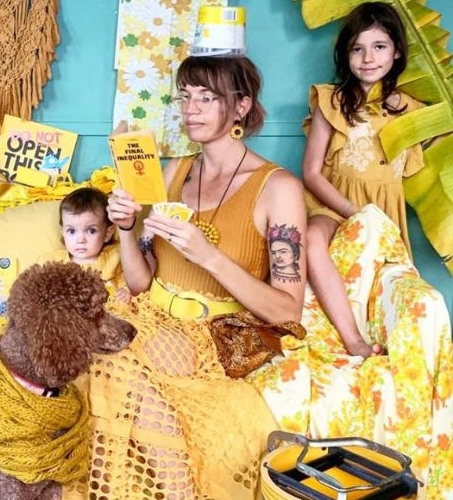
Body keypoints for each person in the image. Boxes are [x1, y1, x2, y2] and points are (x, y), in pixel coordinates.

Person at [70, 54, 307, 499]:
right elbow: (141, 281)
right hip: (149, 311)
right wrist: (125, 227)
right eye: (185, 96)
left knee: (111, 360)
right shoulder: (174, 170)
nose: (190, 108)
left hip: (211, 335)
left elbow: (288, 310)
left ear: (241, 106)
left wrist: (208, 255)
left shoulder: (278, 188)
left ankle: (178, 488)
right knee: (79, 352)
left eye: (207, 97)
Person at [301, 2, 423, 358]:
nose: (368, 58)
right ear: (346, 54)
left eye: (379, 47)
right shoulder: (332, 101)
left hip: (383, 217)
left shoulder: (412, 110)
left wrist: (372, 221)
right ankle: (351, 338)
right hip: (334, 205)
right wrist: (354, 212)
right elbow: (310, 172)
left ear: (397, 51)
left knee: (393, 288)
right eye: (358, 48)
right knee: (310, 238)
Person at [38, 187, 130, 301]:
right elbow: (35, 288)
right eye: (71, 231)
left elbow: (130, 283)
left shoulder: (114, 258)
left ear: (107, 234)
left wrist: (125, 292)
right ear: (63, 233)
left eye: (91, 231)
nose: (80, 240)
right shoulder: (53, 263)